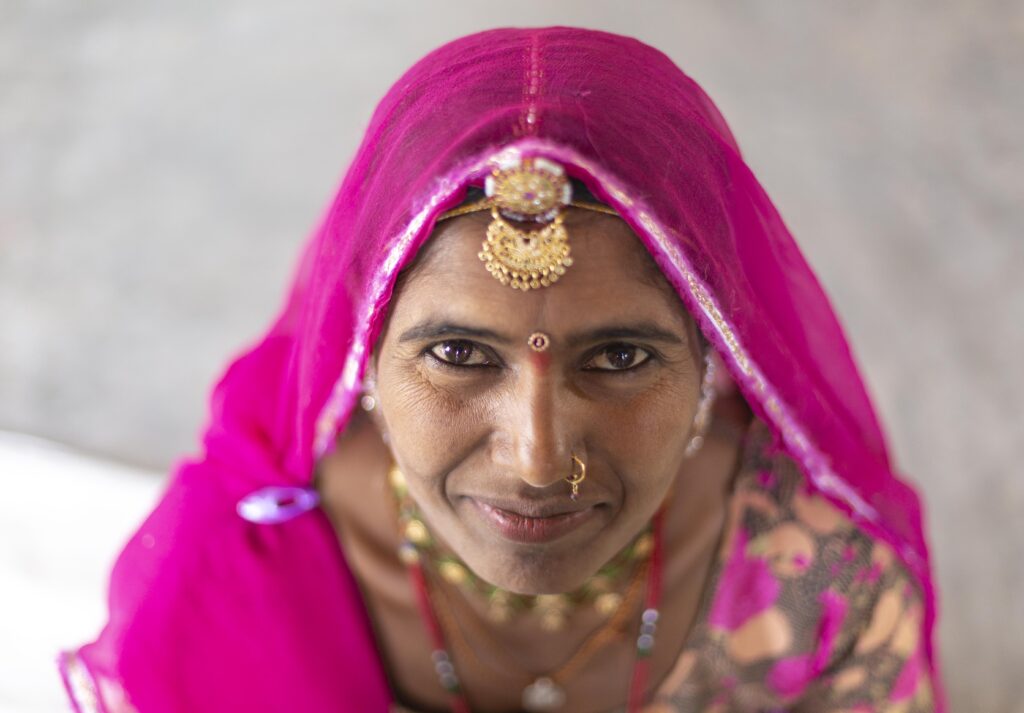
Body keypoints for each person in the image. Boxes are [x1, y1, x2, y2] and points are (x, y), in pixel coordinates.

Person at [59, 27, 942, 712]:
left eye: (623, 356)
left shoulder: (826, 583)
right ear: (361, 353)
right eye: (457, 354)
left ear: (717, 359)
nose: (538, 460)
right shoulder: (247, 564)